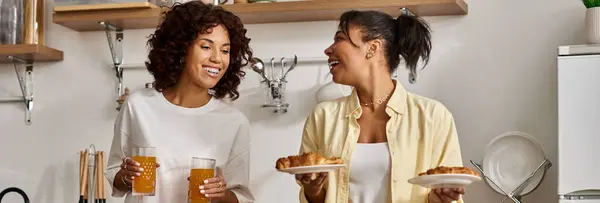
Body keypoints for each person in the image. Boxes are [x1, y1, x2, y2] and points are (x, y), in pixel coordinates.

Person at [294, 10, 465, 203]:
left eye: (339, 39)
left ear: (373, 48)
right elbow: (311, 197)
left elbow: (450, 190)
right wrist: (312, 191)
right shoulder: (323, 117)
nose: (328, 50)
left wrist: (439, 198)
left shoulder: (433, 116)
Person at [104, 1, 254, 203]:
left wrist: (220, 194)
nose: (217, 58)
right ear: (182, 49)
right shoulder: (138, 106)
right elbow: (115, 175)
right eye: (206, 46)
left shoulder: (234, 122)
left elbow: (240, 197)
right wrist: (127, 177)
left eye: (225, 50)